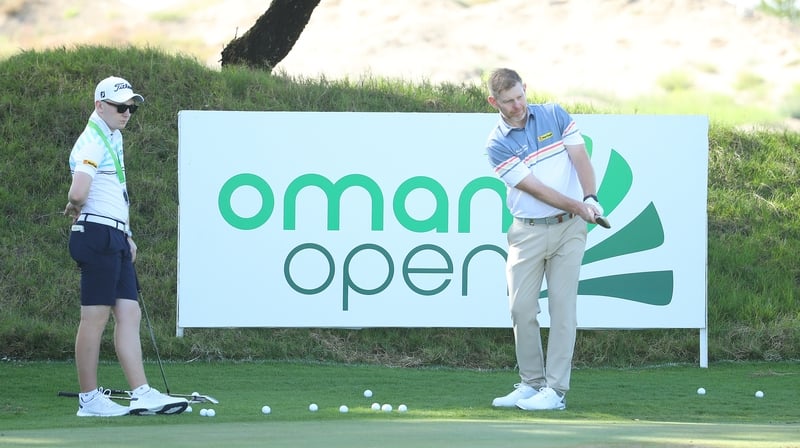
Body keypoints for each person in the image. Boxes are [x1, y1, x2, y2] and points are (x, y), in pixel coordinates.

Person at [64, 76, 188, 417]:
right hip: (97, 235)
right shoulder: (93, 141)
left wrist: (127, 235)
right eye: (121, 107)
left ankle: (141, 393)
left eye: (131, 107)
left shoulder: (112, 137)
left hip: (114, 236)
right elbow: (78, 191)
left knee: (129, 313)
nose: (127, 112)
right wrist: (75, 206)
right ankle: (88, 399)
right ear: (99, 105)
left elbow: (113, 192)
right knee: (95, 318)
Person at [484, 68, 603, 411]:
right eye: (508, 101)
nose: (518, 105)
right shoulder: (497, 144)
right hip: (527, 232)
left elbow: (580, 157)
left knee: (562, 308)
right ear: (495, 102)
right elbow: (535, 189)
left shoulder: (555, 114)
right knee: (521, 308)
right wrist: (580, 206)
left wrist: (591, 197)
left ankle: (555, 391)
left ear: (525, 90)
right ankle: (530, 383)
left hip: (569, 230)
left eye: (520, 96)